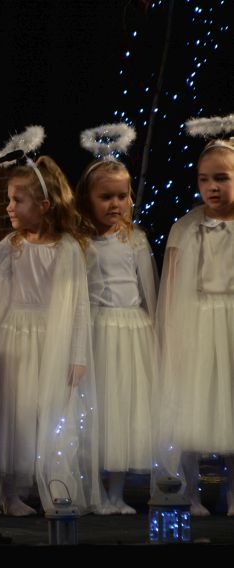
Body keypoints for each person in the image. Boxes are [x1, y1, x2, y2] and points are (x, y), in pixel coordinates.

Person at [0, 127, 100, 516]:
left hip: (51, 342)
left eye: (17, 200)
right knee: (8, 419)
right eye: (8, 199)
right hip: (13, 341)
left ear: (44, 205)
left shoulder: (68, 250)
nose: (9, 207)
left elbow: (78, 306)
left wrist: (77, 354)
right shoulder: (10, 247)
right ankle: (8, 494)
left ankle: (50, 487)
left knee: (47, 416)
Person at [75, 124, 157, 515]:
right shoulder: (82, 242)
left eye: (122, 196)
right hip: (97, 332)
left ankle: (117, 493)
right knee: (96, 412)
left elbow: (148, 290)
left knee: (123, 411)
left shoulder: (135, 239)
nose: (115, 204)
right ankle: (93, 491)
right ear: (88, 199)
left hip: (131, 334)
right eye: (105, 197)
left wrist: (155, 332)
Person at [157, 116, 234, 516]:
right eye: (204, 179)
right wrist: (171, 337)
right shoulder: (184, 228)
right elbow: (171, 288)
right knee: (191, 409)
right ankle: (189, 490)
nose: (211, 187)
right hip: (197, 324)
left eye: (221, 178)